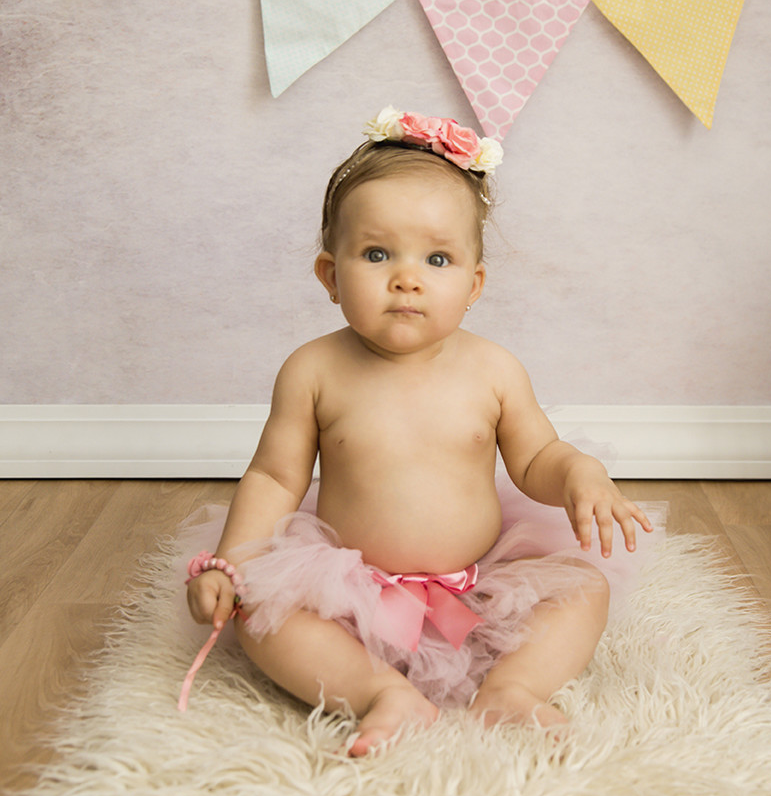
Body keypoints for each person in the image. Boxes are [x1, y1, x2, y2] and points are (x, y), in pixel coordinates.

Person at [184, 107, 656, 757]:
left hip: (479, 580)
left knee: (583, 591)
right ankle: (380, 692)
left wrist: (577, 471)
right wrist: (231, 563)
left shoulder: (493, 370)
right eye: (377, 253)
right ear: (330, 275)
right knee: (261, 619)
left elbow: (535, 457)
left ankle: (511, 691)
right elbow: (274, 476)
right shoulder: (314, 371)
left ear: (473, 285)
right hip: (351, 591)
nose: (407, 277)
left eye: (437, 258)